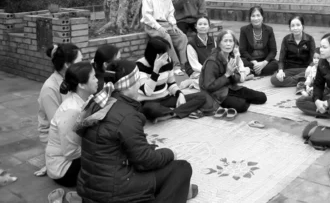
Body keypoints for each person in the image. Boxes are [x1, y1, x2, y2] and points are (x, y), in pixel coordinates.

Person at [76, 60, 198, 203]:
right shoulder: (126, 115)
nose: (140, 85)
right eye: (137, 81)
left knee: (153, 156)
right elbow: (145, 161)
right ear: (128, 85)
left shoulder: (101, 103)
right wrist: (170, 154)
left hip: (90, 188)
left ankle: (171, 191)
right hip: (114, 191)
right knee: (182, 168)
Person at [45, 62, 98, 187]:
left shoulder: (85, 99)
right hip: (64, 170)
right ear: (81, 85)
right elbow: (70, 153)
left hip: (70, 159)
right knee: (106, 158)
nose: (97, 80)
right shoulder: (72, 111)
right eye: (94, 77)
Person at [136, 37, 214, 122]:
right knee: (151, 109)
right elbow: (147, 92)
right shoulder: (140, 65)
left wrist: (179, 94)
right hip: (148, 101)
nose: (167, 56)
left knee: (202, 96)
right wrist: (156, 69)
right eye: (164, 54)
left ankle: (171, 113)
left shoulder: (168, 60)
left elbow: (171, 83)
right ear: (155, 54)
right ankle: (170, 112)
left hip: (165, 98)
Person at [36, 43, 82, 177]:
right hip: (57, 138)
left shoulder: (70, 80)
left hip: (72, 131)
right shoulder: (50, 88)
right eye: (79, 62)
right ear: (67, 64)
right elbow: (57, 125)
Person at [199, 30, 267, 113]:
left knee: (262, 97)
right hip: (216, 92)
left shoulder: (231, 56)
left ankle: (239, 99)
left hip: (230, 88)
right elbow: (209, 87)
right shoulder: (212, 61)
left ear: (234, 44)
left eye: (230, 41)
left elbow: (238, 78)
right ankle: (237, 100)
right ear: (219, 44)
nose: (228, 44)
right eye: (225, 41)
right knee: (242, 106)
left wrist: (233, 73)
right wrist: (227, 74)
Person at [141, 0, 188, 75]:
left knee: (182, 37)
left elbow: (171, 13)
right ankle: (176, 66)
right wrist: (158, 27)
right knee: (166, 37)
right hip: (152, 25)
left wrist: (174, 25)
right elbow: (147, 16)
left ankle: (185, 65)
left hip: (167, 24)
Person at [271, 16, 316, 88]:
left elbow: (314, 57)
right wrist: (280, 70)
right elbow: (281, 59)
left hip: (305, 69)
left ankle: (297, 80)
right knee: (274, 79)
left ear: (303, 26)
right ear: (290, 28)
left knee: (313, 73)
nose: (295, 28)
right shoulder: (286, 39)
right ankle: (301, 80)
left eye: (298, 25)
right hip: (289, 69)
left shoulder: (309, 39)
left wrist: (310, 66)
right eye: (293, 26)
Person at [239, 6, 278, 77]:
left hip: (264, 60)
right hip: (250, 60)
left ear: (262, 17)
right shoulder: (244, 30)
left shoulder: (269, 30)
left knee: (275, 64)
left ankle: (251, 71)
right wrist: (254, 63)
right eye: (253, 16)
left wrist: (264, 63)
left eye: (258, 15)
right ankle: (259, 71)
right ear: (250, 18)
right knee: (240, 62)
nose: (256, 18)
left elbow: (273, 51)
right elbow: (242, 50)